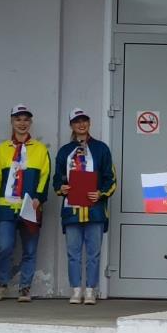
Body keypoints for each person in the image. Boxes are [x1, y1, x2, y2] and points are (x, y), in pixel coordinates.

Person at [53, 109, 117, 305]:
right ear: (71, 125)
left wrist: (101, 193)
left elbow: (110, 178)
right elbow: (56, 179)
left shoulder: (101, 148)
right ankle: (75, 290)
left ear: (89, 123)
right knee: (73, 254)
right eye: (76, 121)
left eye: (84, 120)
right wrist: (61, 187)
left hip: (95, 210)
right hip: (71, 211)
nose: (81, 124)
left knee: (93, 254)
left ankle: (90, 290)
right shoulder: (64, 151)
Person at [0, 105, 51, 301]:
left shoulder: (40, 149)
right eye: (18, 119)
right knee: (4, 247)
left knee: (30, 250)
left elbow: (45, 176)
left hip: (30, 207)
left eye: (25, 119)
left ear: (30, 122)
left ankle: (25, 288)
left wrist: (39, 198)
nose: (22, 123)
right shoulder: (2, 148)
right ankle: (2, 284)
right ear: (12, 122)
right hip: (6, 207)